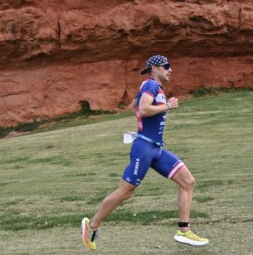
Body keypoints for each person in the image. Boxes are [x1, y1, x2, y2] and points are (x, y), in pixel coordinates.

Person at [81, 55, 209, 249]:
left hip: (155, 149)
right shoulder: (151, 85)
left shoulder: (153, 88)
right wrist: (167, 106)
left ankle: (184, 231)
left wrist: (144, 123)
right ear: (155, 68)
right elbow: (144, 109)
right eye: (166, 66)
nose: (170, 70)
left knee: (188, 181)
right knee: (125, 193)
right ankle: (91, 226)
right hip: (144, 149)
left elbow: (134, 108)